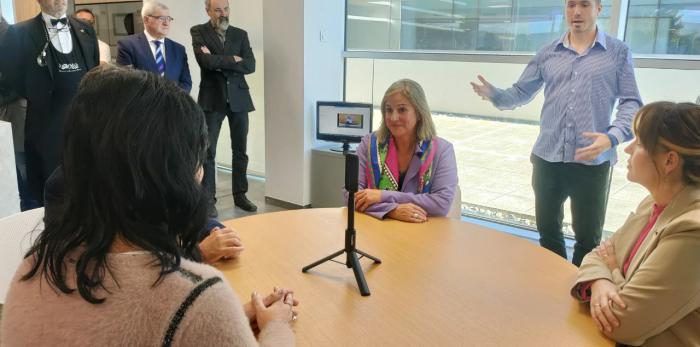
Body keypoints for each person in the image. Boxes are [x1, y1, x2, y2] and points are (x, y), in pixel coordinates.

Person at [0, 66, 297, 346]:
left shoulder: (32, 269)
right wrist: (276, 325)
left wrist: (225, 321)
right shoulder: (195, 295)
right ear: (169, 176)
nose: (201, 172)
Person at [470, 0, 643, 266]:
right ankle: (555, 287)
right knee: (548, 232)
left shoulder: (618, 53)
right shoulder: (548, 52)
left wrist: (612, 136)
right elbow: (520, 93)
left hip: (592, 162)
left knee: (588, 237)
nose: (576, 12)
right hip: (547, 158)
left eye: (584, 4)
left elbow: (631, 101)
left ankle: (580, 288)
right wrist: (495, 95)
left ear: (598, 8)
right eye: (571, 4)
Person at [571, 102, 700, 346]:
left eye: (639, 143)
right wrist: (602, 280)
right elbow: (597, 256)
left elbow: (622, 322)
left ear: (669, 161)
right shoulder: (653, 202)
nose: (628, 149)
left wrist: (614, 271)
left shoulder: (692, 232)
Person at [0, 0, 99, 209]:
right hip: (44, 124)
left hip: (84, 121)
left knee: (87, 179)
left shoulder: (86, 30)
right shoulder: (19, 33)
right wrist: (36, 94)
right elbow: (11, 76)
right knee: (50, 188)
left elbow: (94, 69)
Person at [354, 79, 458, 222]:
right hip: (375, 229)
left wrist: (382, 196)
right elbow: (352, 195)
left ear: (419, 112)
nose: (393, 117)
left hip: (423, 234)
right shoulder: (368, 144)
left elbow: (441, 203)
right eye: (388, 110)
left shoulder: (443, 150)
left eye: (402, 109)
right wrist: (392, 210)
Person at [191, 0, 257, 215]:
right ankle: (208, 199)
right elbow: (205, 63)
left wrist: (218, 59)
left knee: (240, 150)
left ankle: (240, 195)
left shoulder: (240, 34)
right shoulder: (198, 31)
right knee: (208, 151)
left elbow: (250, 65)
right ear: (207, 10)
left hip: (239, 98)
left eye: (226, 9)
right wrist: (232, 59)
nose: (223, 13)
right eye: (218, 10)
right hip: (212, 98)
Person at [117, 0, 192, 92]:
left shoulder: (178, 49)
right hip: (144, 105)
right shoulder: (128, 46)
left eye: (168, 18)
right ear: (146, 20)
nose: (166, 23)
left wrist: (173, 101)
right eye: (161, 18)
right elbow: (126, 83)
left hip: (174, 104)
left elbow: (186, 82)